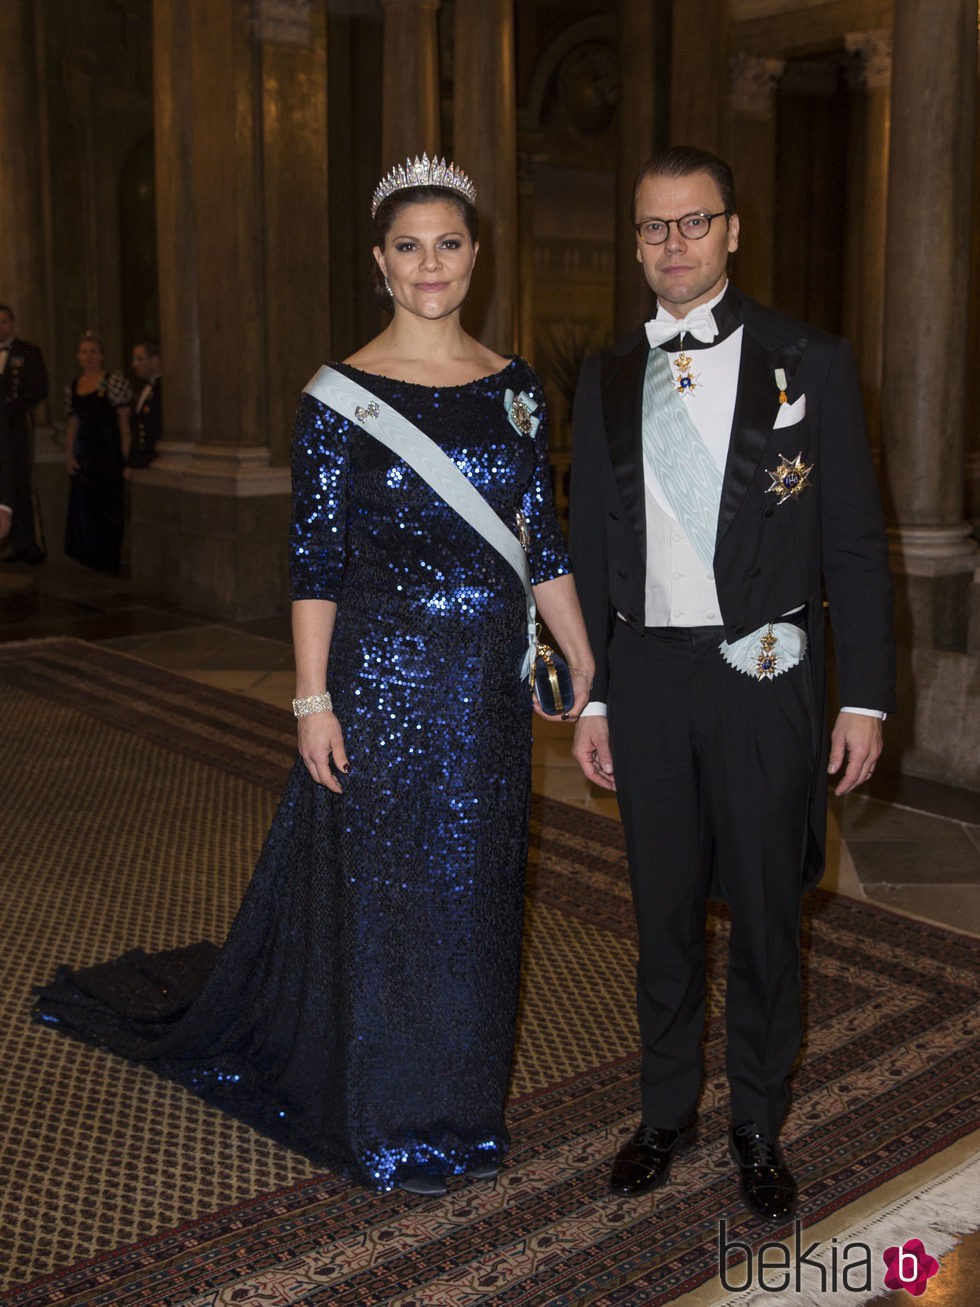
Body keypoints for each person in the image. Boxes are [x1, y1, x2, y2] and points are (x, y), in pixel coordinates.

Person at [33, 155, 594, 1196]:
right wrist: (311, 698)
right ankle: (389, 1115)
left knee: (474, 893)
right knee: (389, 899)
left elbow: (539, 537)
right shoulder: (337, 397)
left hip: (482, 692)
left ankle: (461, 1105)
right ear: (379, 262)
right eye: (408, 246)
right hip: (378, 677)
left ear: (476, 254)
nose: (431, 264)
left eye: (450, 242)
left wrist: (582, 657)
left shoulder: (515, 388)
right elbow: (314, 561)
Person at [569, 147, 894, 1221]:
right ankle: (665, 1107)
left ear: (732, 230)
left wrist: (866, 695)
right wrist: (598, 695)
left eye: (692, 223)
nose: (671, 244)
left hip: (767, 668)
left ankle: (756, 1117)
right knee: (659, 908)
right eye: (652, 227)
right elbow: (586, 543)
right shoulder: (604, 372)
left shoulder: (812, 359)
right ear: (634, 239)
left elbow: (851, 540)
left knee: (763, 909)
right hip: (649, 675)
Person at [64, 331, 133, 574]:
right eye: (84, 352)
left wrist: (126, 458)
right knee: (86, 514)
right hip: (86, 459)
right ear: (78, 356)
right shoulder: (73, 386)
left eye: (93, 351)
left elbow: (124, 421)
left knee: (110, 513)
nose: (89, 356)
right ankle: (90, 563)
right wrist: (69, 454)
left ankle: (109, 563)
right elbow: (73, 423)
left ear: (102, 355)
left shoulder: (114, 381)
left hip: (109, 457)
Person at [0, 304, 48, 563]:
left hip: (15, 425)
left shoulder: (27, 352)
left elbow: (39, 389)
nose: (0, 327)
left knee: (17, 479)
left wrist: (12, 406)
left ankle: (26, 542)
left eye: (4, 321)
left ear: (12, 323)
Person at [128, 339, 162, 469]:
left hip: (153, 460)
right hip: (141, 460)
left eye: (139, 359)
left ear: (155, 360)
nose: (134, 365)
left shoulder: (162, 390)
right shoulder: (147, 388)